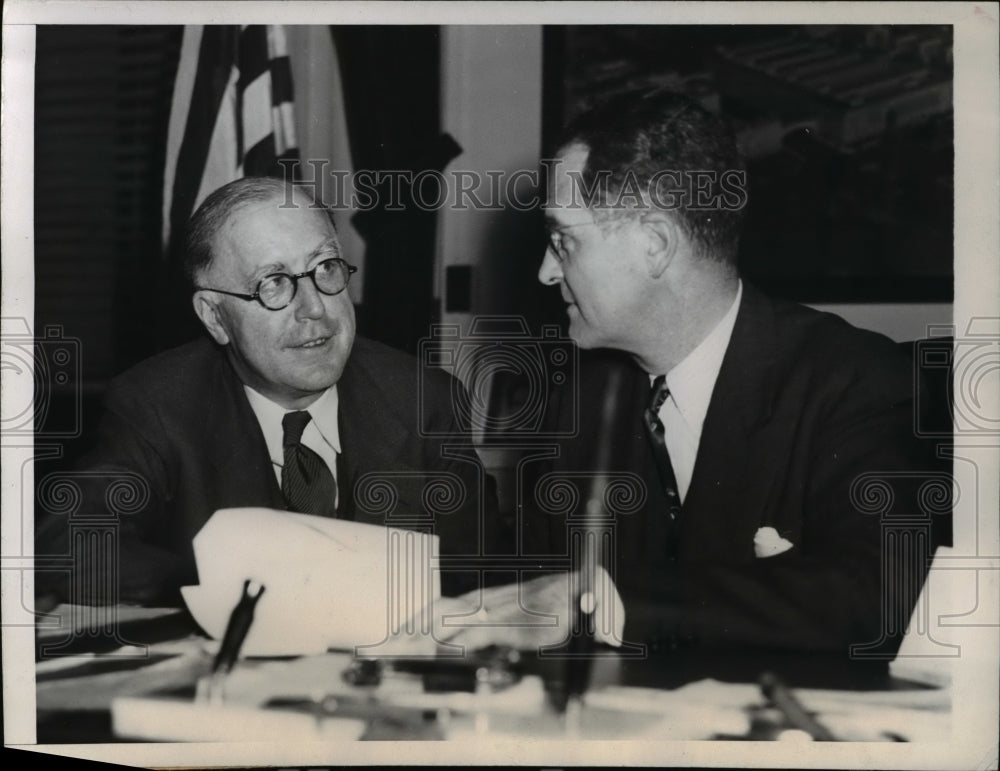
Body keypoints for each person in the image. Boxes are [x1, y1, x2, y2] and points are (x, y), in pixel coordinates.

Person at [450, 89, 941, 659]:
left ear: (655, 245)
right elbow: (536, 602)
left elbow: (874, 599)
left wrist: (608, 601)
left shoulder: (857, 383)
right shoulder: (577, 402)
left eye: (564, 240)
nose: (544, 271)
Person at [35, 177, 491, 607]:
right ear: (214, 317)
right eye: (273, 283)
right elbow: (67, 544)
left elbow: (476, 568)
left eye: (326, 268)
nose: (315, 309)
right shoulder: (157, 404)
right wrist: (236, 583)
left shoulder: (421, 400)